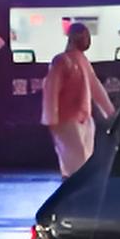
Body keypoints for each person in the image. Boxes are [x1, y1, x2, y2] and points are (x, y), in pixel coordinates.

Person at [41, 18, 113, 178]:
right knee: (76, 164)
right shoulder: (61, 61)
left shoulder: (82, 60)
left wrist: (110, 112)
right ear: (73, 37)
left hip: (84, 119)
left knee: (85, 161)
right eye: (84, 36)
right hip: (66, 120)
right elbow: (51, 89)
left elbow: (95, 87)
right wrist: (52, 118)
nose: (87, 40)